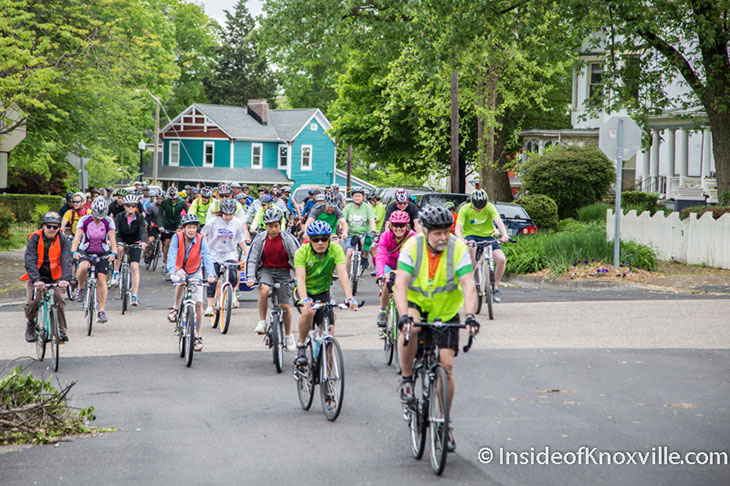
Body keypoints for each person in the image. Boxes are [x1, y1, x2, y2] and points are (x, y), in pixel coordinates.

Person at [394, 205, 480, 452]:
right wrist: (402, 316)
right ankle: (407, 377)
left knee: (447, 365)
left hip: (446, 311)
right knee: (412, 328)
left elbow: (468, 285)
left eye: (447, 232)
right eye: (437, 233)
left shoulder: (458, 248)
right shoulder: (412, 247)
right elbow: (400, 283)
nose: (443, 237)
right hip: (416, 305)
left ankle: (444, 423)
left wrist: (471, 315)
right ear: (425, 231)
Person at [293, 220, 358, 367]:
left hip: (323, 292)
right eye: (316, 240)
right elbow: (300, 279)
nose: (320, 242)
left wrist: (349, 297)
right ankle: (301, 345)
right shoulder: (301, 252)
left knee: (329, 333)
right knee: (309, 312)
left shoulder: (336, 249)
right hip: (305, 291)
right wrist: (304, 299)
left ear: (329, 239)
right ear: (309, 240)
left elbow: (342, 274)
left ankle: (328, 378)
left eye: (324, 239)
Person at [246, 208, 299, 348]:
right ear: (266, 226)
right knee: (264, 290)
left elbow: (298, 258)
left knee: (285, 306)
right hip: (266, 270)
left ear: (280, 225)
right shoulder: (260, 239)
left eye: (276, 226)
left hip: (283, 272)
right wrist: (251, 277)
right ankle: (262, 321)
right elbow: (252, 259)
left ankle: (288, 335)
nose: (274, 229)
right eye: (270, 226)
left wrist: (299, 277)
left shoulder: (287, 239)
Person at [166, 214, 216, 352]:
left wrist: (211, 274)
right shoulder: (177, 237)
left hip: (195, 270)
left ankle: (198, 336)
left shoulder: (201, 240)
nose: (191, 230)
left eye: (194, 227)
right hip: (180, 268)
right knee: (181, 280)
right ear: (184, 228)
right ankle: (175, 308)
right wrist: (173, 271)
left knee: (198, 304)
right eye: (189, 227)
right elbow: (172, 254)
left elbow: (206, 256)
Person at [21, 212, 72, 343]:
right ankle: (31, 323)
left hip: (55, 275)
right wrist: (36, 280)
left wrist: (65, 278)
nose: (52, 229)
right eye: (49, 226)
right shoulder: (34, 238)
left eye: (55, 227)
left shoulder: (63, 239)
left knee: (59, 299)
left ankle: (60, 331)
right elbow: (30, 260)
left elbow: (66, 260)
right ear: (43, 226)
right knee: (33, 301)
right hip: (36, 275)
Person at [454, 189, 509, 303]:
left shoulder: (489, 207)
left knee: (501, 259)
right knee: (472, 248)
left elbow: (498, 221)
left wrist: (504, 235)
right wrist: (462, 239)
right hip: (471, 235)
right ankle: (471, 276)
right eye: (477, 207)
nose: (479, 209)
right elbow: (458, 229)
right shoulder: (465, 209)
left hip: (487, 236)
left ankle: (496, 287)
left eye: (482, 207)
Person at [71, 197, 117, 323]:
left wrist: (114, 252)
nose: (99, 219)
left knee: (101, 278)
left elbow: (112, 238)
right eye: (97, 216)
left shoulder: (108, 221)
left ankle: (101, 310)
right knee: (83, 267)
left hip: (102, 250)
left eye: (101, 217)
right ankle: (80, 288)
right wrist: (74, 250)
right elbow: (78, 237)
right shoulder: (84, 220)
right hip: (86, 249)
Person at [202, 198, 247, 315]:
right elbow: (204, 234)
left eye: (230, 214)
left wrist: (247, 252)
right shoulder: (213, 221)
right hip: (214, 253)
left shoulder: (237, 223)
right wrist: (205, 248)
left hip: (229, 252)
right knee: (213, 277)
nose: (228, 217)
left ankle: (231, 294)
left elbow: (241, 240)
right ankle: (210, 306)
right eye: (226, 214)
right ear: (221, 212)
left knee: (233, 274)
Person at [375, 210, 415, 327]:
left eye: (402, 225)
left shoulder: (413, 237)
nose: (399, 228)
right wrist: (380, 275)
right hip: (389, 265)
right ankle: (382, 310)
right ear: (391, 226)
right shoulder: (385, 236)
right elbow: (380, 257)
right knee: (388, 281)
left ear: (407, 226)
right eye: (396, 225)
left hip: (404, 266)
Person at [112, 194, 147, 305]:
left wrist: (143, 241)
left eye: (133, 206)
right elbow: (115, 231)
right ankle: (116, 272)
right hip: (122, 239)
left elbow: (142, 230)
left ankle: (134, 296)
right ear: (125, 206)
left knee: (134, 267)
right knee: (119, 248)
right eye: (128, 205)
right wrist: (115, 241)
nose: (130, 208)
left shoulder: (140, 217)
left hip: (135, 241)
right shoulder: (119, 217)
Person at [343, 186, 376, 276]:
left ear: (363, 197)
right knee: (349, 253)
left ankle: (365, 257)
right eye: (355, 196)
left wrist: (373, 230)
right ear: (352, 197)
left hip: (364, 233)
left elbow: (371, 220)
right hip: (351, 234)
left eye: (359, 196)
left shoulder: (367, 207)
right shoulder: (348, 207)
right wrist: (343, 232)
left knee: (365, 244)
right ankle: (345, 275)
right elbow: (343, 221)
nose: (357, 198)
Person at [158, 186, 188, 272]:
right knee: (167, 243)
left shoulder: (182, 202)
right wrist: (160, 225)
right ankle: (165, 262)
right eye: (171, 199)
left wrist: (185, 225)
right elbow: (160, 214)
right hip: (167, 223)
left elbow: (188, 213)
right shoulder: (164, 202)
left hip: (177, 223)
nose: (172, 201)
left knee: (180, 243)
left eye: (174, 199)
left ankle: (179, 262)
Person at [144, 190, 164, 262]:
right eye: (158, 198)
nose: (159, 200)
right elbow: (147, 216)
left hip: (162, 226)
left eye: (161, 198)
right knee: (151, 239)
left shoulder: (166, 207)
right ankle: (147, 253)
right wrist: (150, 222)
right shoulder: (151, 206)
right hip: (153, 225)